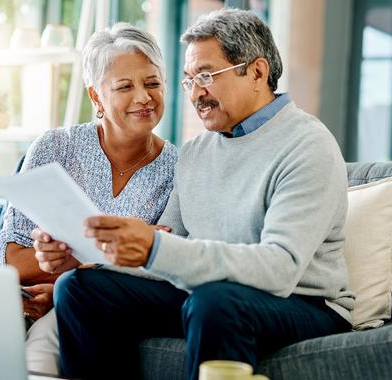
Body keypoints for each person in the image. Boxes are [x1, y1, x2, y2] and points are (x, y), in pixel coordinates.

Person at [35, 9, 354, 380]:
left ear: (257, 73)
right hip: (212, 295)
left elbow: (280, 269)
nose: (196, 93)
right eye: (188, 81)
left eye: (206, 76)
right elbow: (169, 241)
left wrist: (156, 248)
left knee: (215, 302)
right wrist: (89, 253)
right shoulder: (196, 151)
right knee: (81, 289)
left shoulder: (307, 145)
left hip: (303, 302)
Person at [0, 23, 177, 375]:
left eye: (152, 83)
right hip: (35, 302)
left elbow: (163, 267)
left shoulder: (179, 169)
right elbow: (14, 260)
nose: (143, 97)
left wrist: (69, 277)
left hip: (102, 307)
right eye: (125, 86)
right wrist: (69, 270)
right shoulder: (55, 148)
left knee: (45, 348)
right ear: (96, 97)